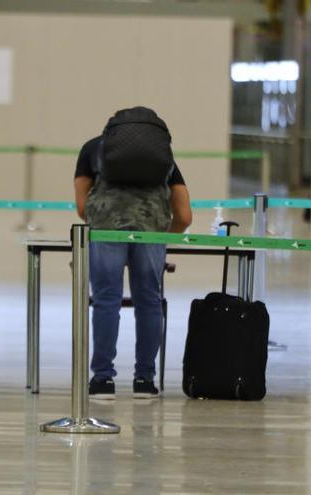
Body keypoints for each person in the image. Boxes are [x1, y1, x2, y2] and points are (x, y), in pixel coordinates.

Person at [74, 106, 192, 400]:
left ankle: (102, 381)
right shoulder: (163, 157)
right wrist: (165, 237)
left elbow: (81, 206)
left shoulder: (92, 149)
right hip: (151, 231)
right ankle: (145, 380)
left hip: (105, 229)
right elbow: (185, 214)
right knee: (150, 302)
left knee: (105, 301)